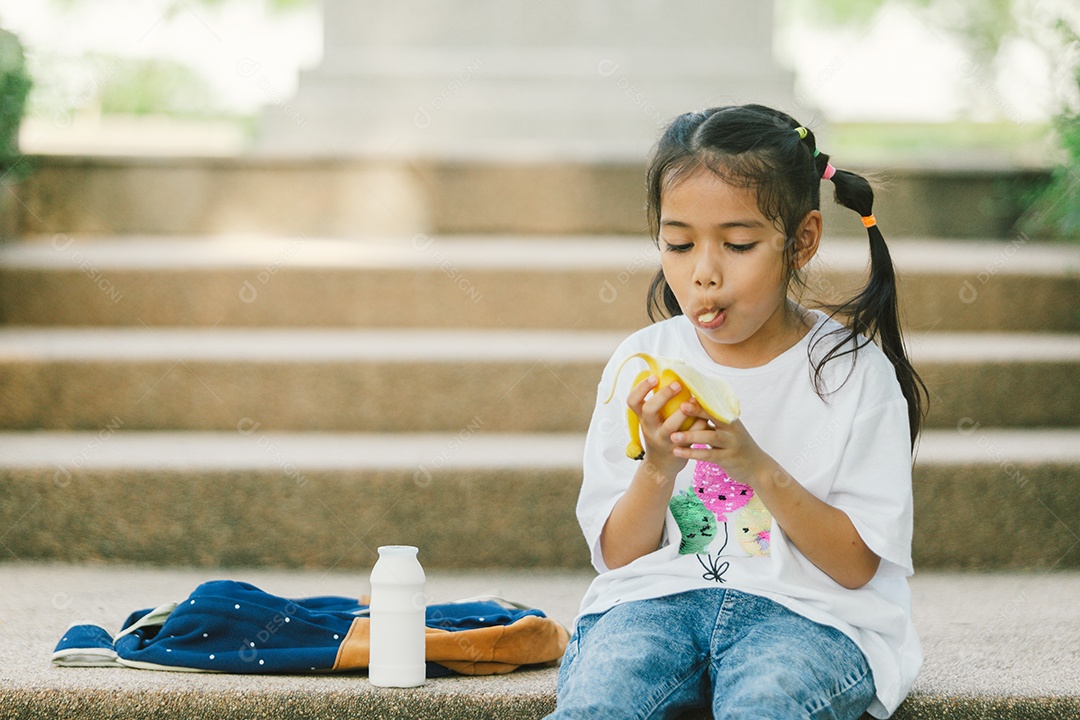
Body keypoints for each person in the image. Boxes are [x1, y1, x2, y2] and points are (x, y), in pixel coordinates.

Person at [550, 104, 927, 720]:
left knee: (768, 702)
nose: (702, 273)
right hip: (654, 602)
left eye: (739, 244)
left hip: (811, 617)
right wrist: (657, 469)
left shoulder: (853, 373)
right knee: (602, 698)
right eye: (677, 243)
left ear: (802, 241)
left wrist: (755, 464)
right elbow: (619, 555)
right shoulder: (642, 362)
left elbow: (856, 566)